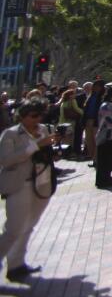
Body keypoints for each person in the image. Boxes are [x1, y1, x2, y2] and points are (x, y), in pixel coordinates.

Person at [0, 97, 57, 281]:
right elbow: (7, 160)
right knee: (14, 228)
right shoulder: (11, 134)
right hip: (20, 184)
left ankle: (16, 264)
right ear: (22, 116)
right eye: (33, 115)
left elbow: (45, 155)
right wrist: (35, 146)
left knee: (29, 226)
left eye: (40, 115)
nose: (37, 119)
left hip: (42, 183)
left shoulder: (43, 130)